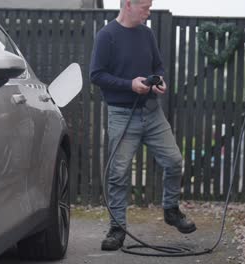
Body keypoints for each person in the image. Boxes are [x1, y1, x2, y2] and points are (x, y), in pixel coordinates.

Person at [89, 0, 196, 251]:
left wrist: (159, 81)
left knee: (174, 161)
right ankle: (117, 229)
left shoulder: (147, 34)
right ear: (128, 4)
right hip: (122, 114)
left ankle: (170, 210)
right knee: (118, 173)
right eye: (145, 7)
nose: (148, 12)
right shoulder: (107, 36)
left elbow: (157, 65)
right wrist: (130, 85)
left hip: (152, 113)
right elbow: (96, 75)